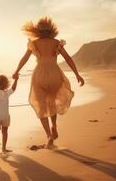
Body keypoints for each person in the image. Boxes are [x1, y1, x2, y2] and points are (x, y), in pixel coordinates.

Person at [12, 17, 84, 148]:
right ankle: (54, 126)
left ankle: (49, 135)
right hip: (54, 75)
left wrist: (16, 71)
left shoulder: (34, 43)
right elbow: (68, 58)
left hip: (39, 75)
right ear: (51, 30)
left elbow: (25, 58)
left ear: (37, 31)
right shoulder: (57, 43)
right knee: (51, 102)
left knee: (41, 106)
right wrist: (77, 74)